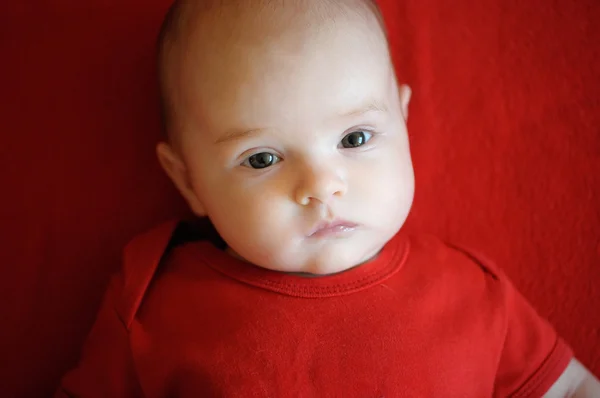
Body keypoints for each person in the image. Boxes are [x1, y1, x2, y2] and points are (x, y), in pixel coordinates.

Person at [56, 0, 600, 396]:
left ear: (404, 124)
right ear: (189, 181)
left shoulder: (474, 293)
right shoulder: (153, 305)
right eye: (262, 158)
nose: (321, 185)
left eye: (355, 139)